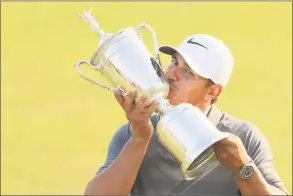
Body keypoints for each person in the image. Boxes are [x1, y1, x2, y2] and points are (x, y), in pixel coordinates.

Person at [84, 34, 288, 195]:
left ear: (213, 91)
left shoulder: (243, 137)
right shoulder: (134, 131)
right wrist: (139, 139)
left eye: (188, 72)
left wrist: (243, 167)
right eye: (174, 62)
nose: (172, 74)